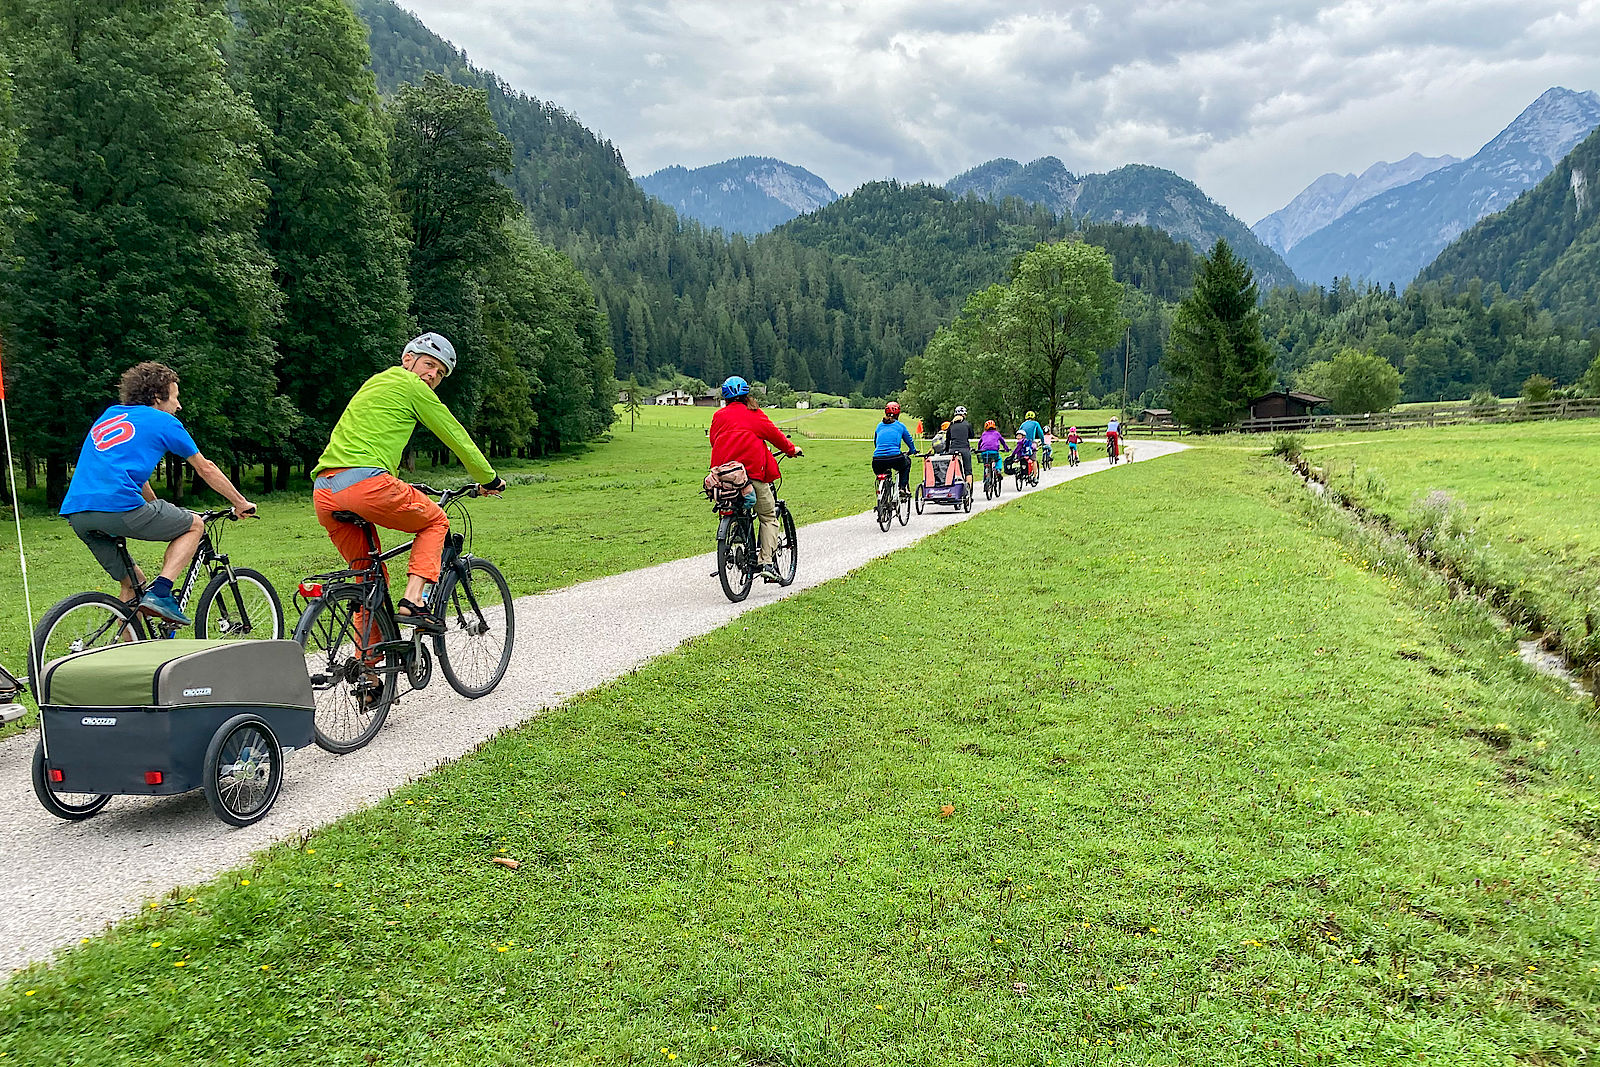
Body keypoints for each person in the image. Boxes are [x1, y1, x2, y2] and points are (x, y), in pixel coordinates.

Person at [312, 333, 505, 631]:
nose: (432, 375)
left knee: (367, 580)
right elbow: (456, 436)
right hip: (364, 484)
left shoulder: (375, 382)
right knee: (435, 522)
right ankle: (414, 602)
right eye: (429, 364)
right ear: (407, 359)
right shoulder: (411, 385)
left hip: (325, 490)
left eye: (440, 373)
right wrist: (488, 478)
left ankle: (369, 670)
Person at [60, 362, 259, 625]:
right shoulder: (164, 421)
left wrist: (157, 507)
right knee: (194, 526)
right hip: (118, 507)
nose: (179, 406)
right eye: (175, 397)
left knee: (133, 585)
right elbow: (205, 468)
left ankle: (122, 648)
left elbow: (132, 475)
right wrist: (240, 502)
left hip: (78, 513)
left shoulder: (110, 415)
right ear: (157, 397)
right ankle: (162, 592)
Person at [709, 376, 802, 583]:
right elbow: (776, 436)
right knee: (768, 516)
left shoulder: (719, 416)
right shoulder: (755, 414)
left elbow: (714, 440)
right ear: (747, 395)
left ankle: (736, 531)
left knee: (731, 504)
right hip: (751, 475)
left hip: (723, 475)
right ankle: (766, 562)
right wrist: (791, 450)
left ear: (725, 398)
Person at [871, 400, 917, 502]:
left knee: (883, 473)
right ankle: (902, 487)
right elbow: (909, 440)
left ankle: (883, 495)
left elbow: (876, 442)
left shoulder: (879, 426)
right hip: (895, 457)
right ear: (898, 414)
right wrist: (912, 450)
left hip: (877, 460)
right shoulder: (900, 426)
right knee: (907, 463)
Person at [944, 405, 977, 491]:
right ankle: (969, 491)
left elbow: (948, 439)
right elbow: (972, 436)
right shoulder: (967, 424)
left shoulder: (951, 425)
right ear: (964, 415)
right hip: (964, 449)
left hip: (953, 449)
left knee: (952, 470)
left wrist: (947, 450)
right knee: (968, 471)